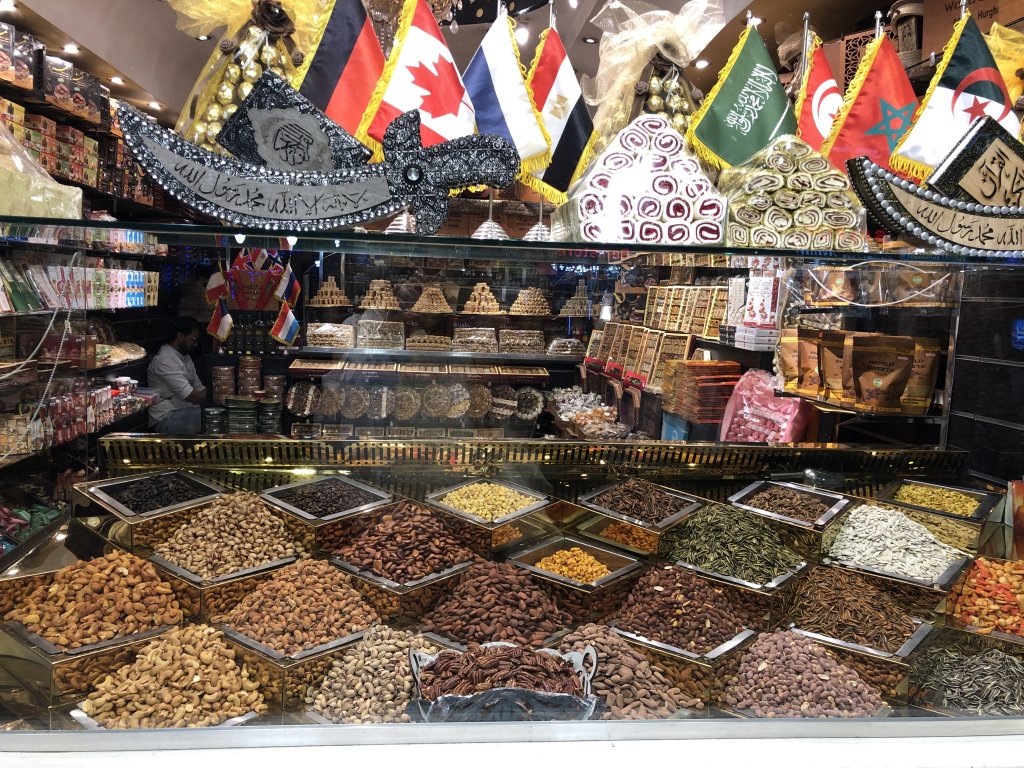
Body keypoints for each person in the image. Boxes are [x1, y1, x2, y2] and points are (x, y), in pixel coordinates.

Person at [147, 317, 207, 435]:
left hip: (186, 411)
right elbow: (190, 396)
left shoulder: (185, 356)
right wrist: (214, 399)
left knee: (216, 415)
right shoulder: (165, 360)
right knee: (212, 417)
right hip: (166, 418)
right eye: (193, 339)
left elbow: (198, 386)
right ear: (180, 336)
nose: (195, 344)